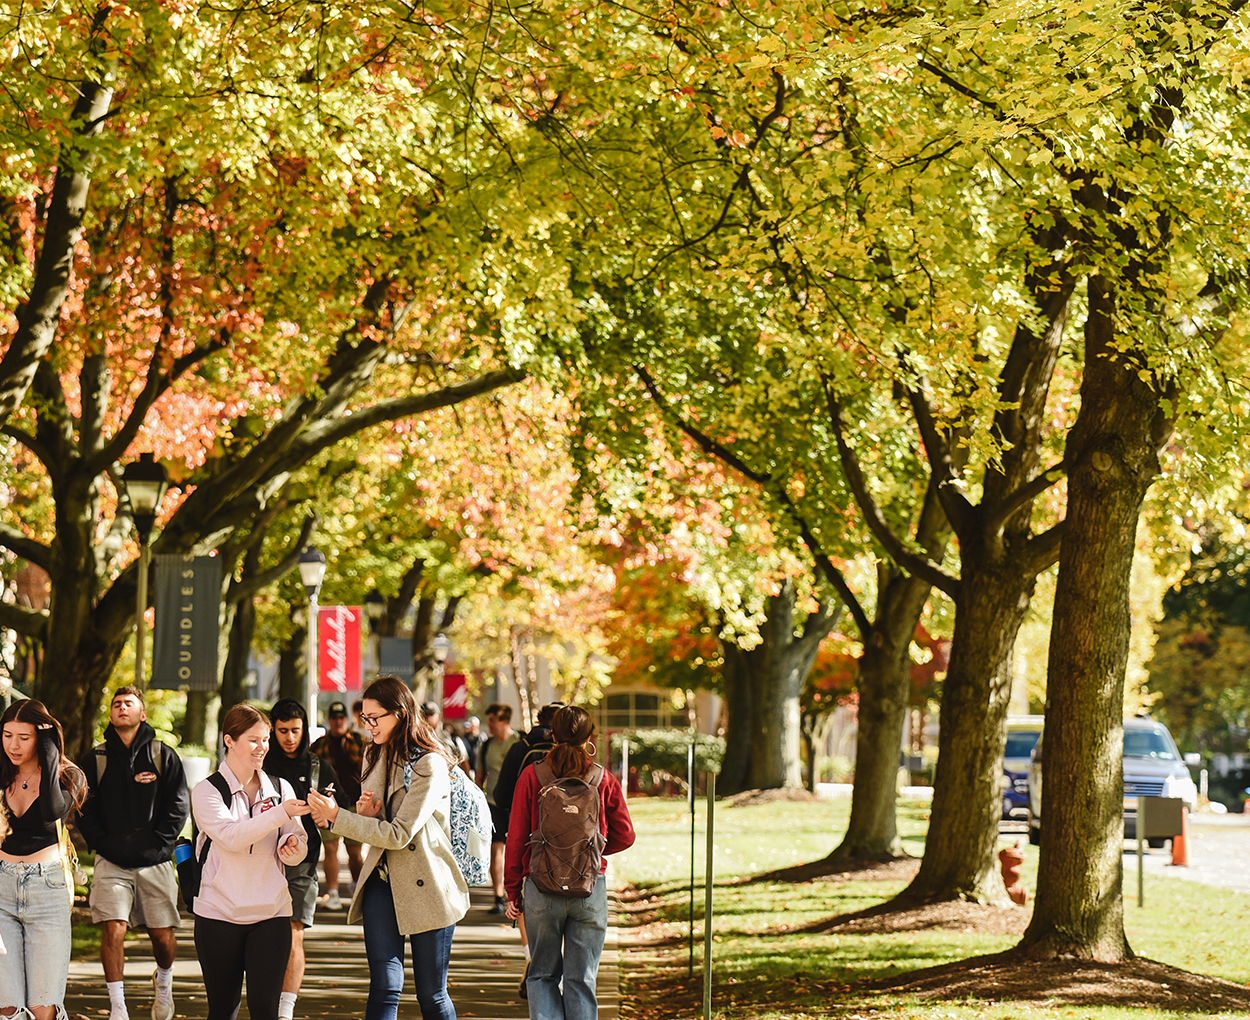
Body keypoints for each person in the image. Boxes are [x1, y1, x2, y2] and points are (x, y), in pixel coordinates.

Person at [307, 676, 469, 1020]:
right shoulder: (374, 752)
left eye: (375, 718)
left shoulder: (430, 764)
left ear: (400, 713)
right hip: (382, 881)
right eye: (364, 718)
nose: (368, 725)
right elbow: (380, 827)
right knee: (383, 986)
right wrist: (368, 813)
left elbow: (399, 835)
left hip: (428, 884)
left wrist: (340, 818)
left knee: (431, 994)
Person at [505, 706, 635, 1020]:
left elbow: (517, 836)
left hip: (541, 887)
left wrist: (512, 891)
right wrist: (594, 853)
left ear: (552, 734)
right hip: (590, 887)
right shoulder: (602, 778)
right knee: (582, 979)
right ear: (589, 738)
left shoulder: (532, 775)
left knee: (542, 975)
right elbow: (626, 834)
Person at [77, 687, 190, 1020]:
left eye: (128, 703)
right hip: (111, 862)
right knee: (114, 928)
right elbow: (84, 808)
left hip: (155, 861)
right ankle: (118, 1007)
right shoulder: (95, 759)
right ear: (111, 715)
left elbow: (179, 804)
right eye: (115, 704)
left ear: (142, 714)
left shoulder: (161, 755)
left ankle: (164, 983)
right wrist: (103, 844)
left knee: (162, 936)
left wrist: (160, 843)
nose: (121, 707)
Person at [191, 704, 309, 1020]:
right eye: (254, 740)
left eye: (266, 739)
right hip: (218, 913)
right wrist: (280, 814)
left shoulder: (281, 787)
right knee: (222, 1010)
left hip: (271, 913)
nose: (263, 748)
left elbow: (298, 846)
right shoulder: (207, 791)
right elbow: (231, 837)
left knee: (266, 1010)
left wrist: (293, 846)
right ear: (229, 740)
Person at [0, 698, 88, 1020]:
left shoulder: (70, 777)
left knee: (42, 1006)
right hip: (1, 888)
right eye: (8, 735)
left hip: (47, 889)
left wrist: (51, 756)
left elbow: (52, 810)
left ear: (42, 738)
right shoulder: (2, 773)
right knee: (7, 1006)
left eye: (24, 737)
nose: (14, 745)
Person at [264, 699, 348, 1020]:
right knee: (264, 938)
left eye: (295, 731)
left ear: (304, 731)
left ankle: (285, 1010)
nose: (288, 737)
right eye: (282, 731)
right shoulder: (260, 765)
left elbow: (341, 810)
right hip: (260, 862)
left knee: (293, 931)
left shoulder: (317, 767)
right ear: (273, 729)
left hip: (302, 863)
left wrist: (328, 814)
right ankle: (266, 999)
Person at [309, 701, 365, 910]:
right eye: (334, 718)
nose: (338, 721)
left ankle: (357, 889)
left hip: (353, 804)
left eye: (341, 718)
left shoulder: (360, 742)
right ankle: (332, 892)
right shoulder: (319, 745)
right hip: (328, 803)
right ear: (330, 720)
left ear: (347, 720)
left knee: (354, 852)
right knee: (330, 848)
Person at [475, 703, 517, 916]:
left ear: (504, 721)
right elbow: (480, 776)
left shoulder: (518, 743)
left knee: (517, 850)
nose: (489, 725)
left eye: (492, 720)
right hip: (493, 803)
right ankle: (498, 896)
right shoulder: (487, 745)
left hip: (517, 804)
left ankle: (515, 896)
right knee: (496, 849)